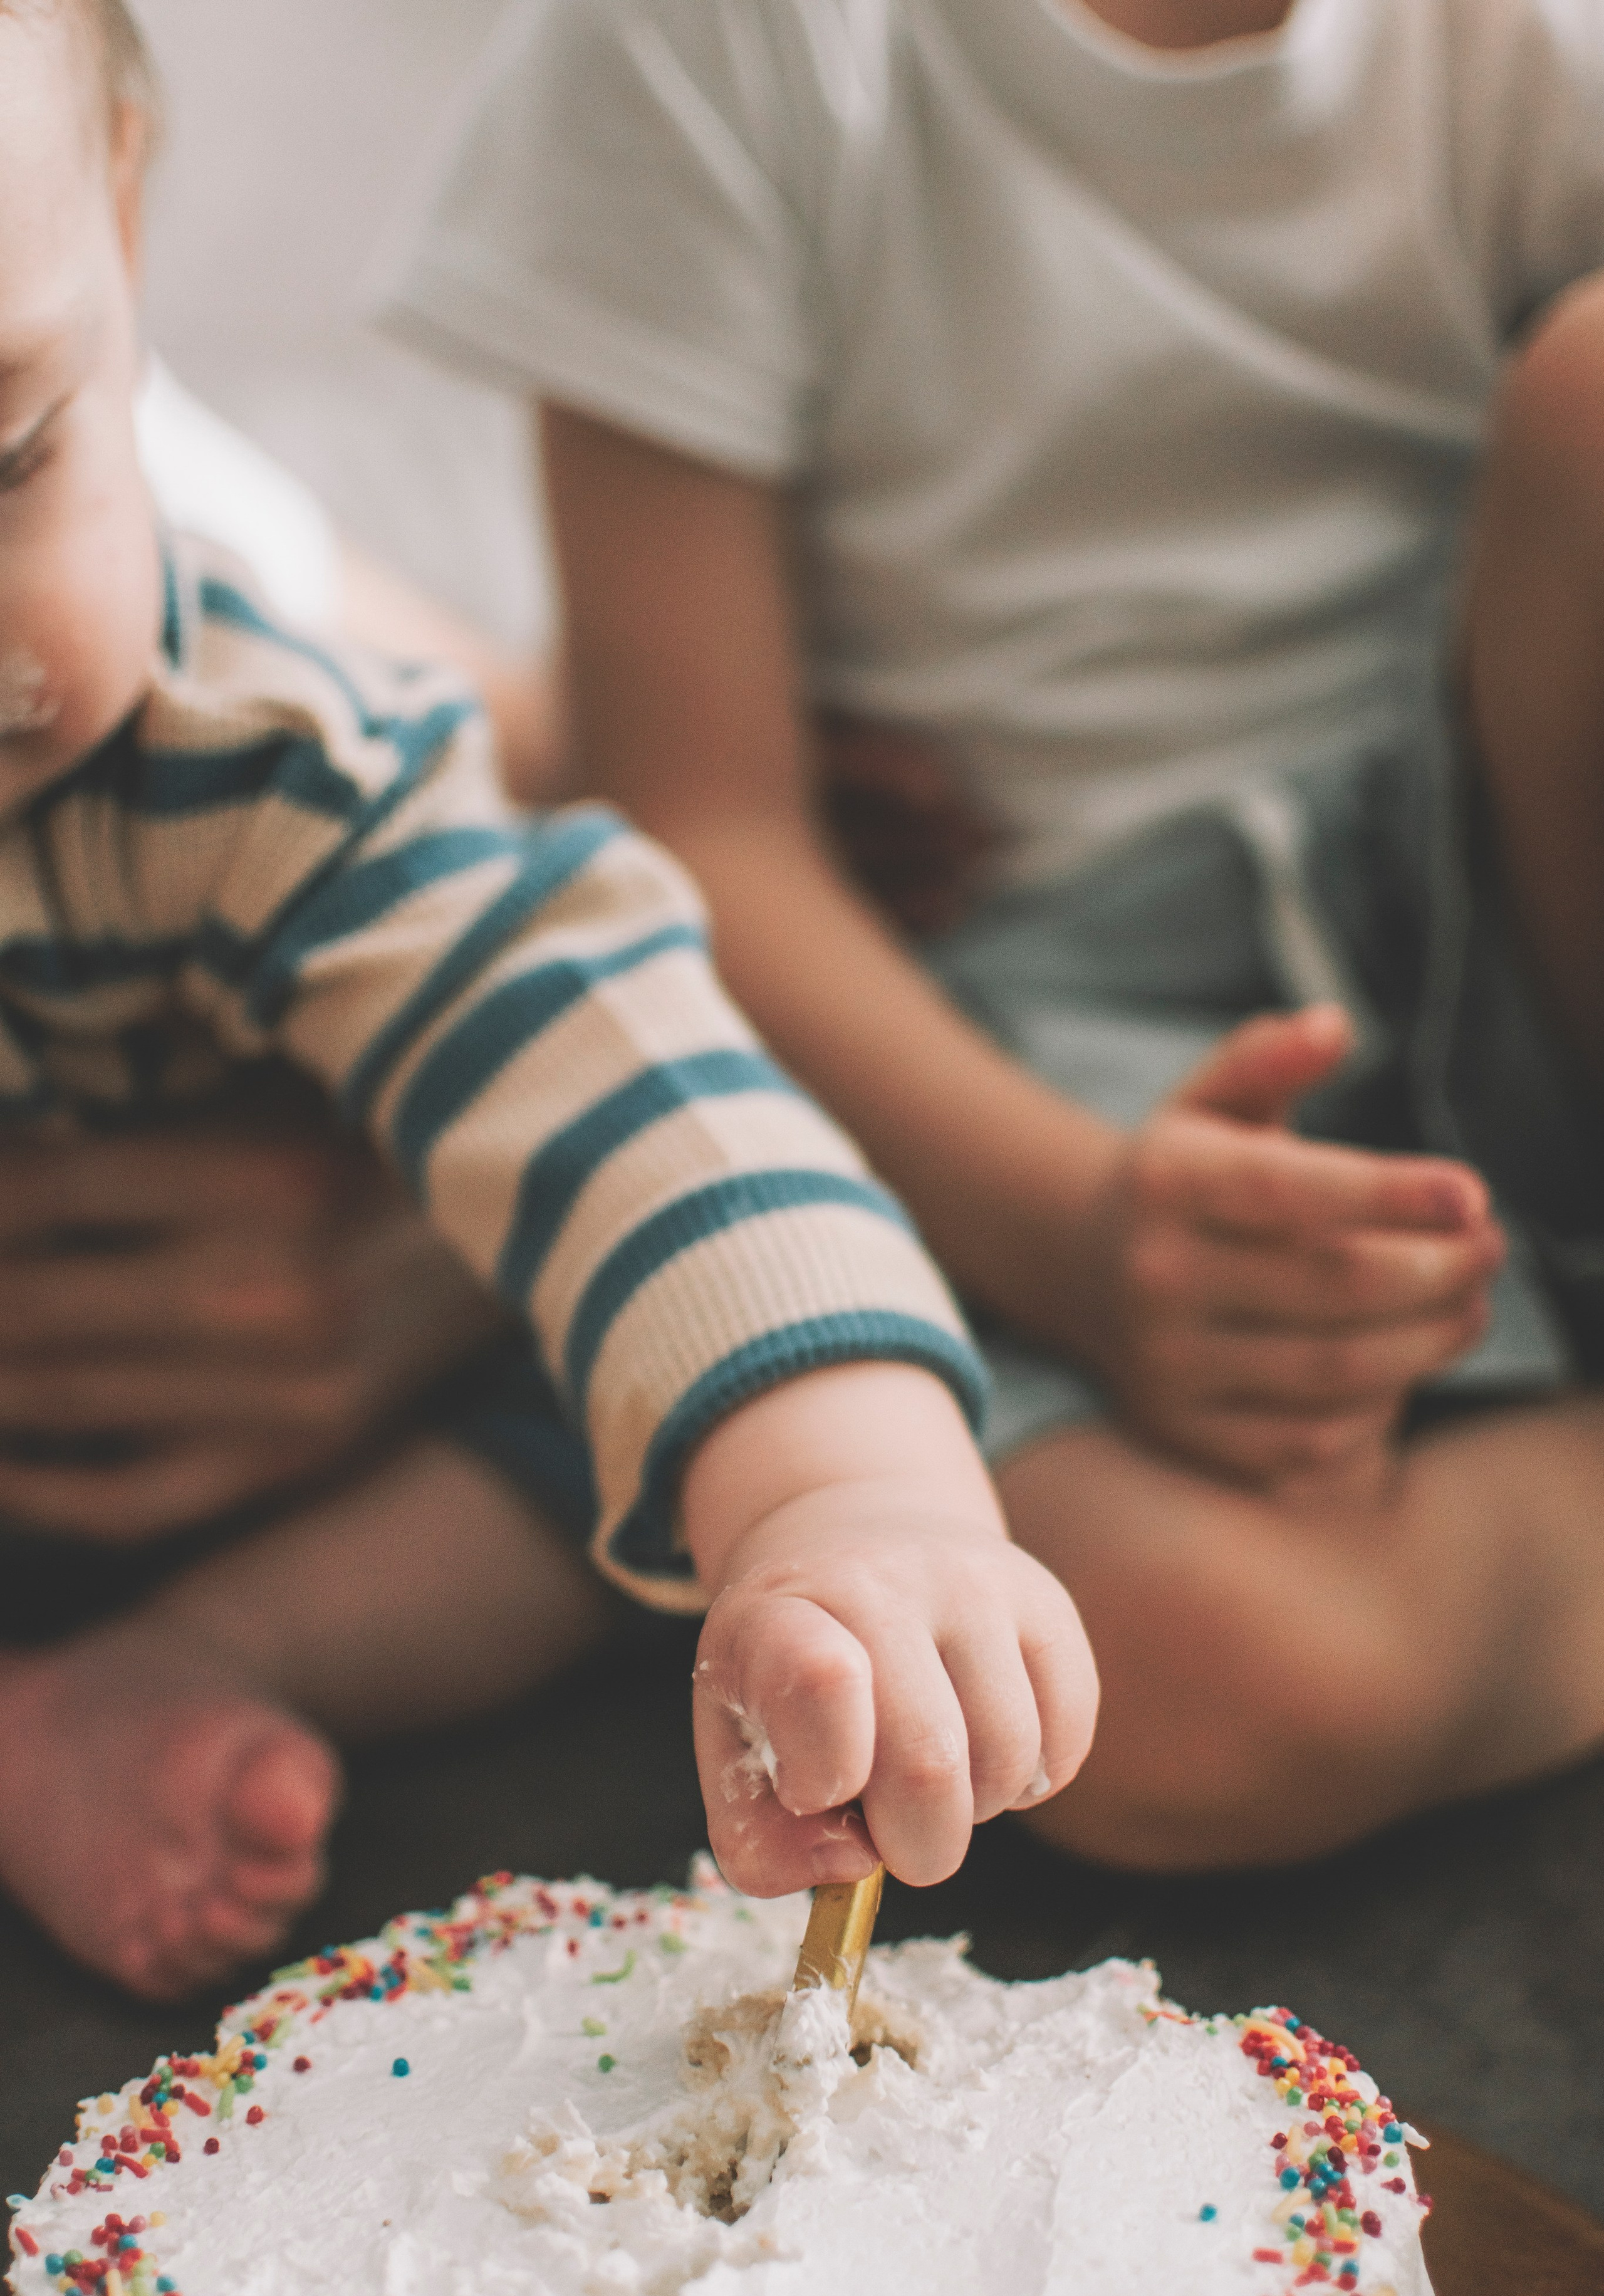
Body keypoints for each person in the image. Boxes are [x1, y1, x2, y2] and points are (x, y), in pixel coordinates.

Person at [382, 0, 1604, 1871]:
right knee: (1160, 1673)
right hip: (998, 1019)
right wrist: (1083, 1236)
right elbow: (699, 833)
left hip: (1490, 830)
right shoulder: (710, 47)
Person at [0, 0, 1098, 2001]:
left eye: (11, 453)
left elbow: (623, 1072)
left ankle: (186, 1659)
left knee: (626, 1408)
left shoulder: (240, 759)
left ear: (125, 256)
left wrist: (848, 1498)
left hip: (273, 1435)